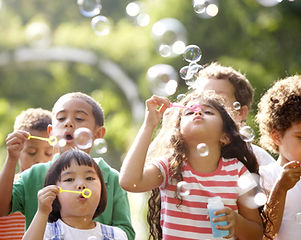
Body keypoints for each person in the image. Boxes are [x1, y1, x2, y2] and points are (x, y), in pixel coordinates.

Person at [119, 90, 264, 240]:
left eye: (208, 111)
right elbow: (129, 182)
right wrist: (149, 125)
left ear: (225, 137)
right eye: (188, 113)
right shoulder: (171, 167)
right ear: (178, 133)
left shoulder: (237, 171)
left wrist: (237, 222)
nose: (198, 113)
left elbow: (256, 235)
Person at [0, 92, 135, 240]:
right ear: (51, 133)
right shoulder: (35, 174)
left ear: (98, 133)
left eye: (79, 118)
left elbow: (126, 232)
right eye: (61, 118)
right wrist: (12, 159)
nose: (68, 123)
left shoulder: (112, 178)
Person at [23, 149, 128, 240]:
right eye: (69, 179)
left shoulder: (116, 236)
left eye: (89, 178)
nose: (81, 185)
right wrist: (42, 212)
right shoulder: (44, 233)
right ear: (55, 192)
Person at [193, 62, 275, 166]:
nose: (207, 104)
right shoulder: (181, 152)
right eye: (200, 97)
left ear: (240, 113)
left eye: (218, 99)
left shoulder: (257, 158)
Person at [256, 75, 301, 240]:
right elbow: (265, 235)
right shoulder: (266, 176)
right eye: (300, 137)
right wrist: (280, 188)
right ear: (277, 137)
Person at [0, 107, 54, 240]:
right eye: (31, 152)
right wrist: (11, 158)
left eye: (48, 153)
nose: (40, 160)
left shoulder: (59, 192)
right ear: (17, 149)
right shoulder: (6, 186)